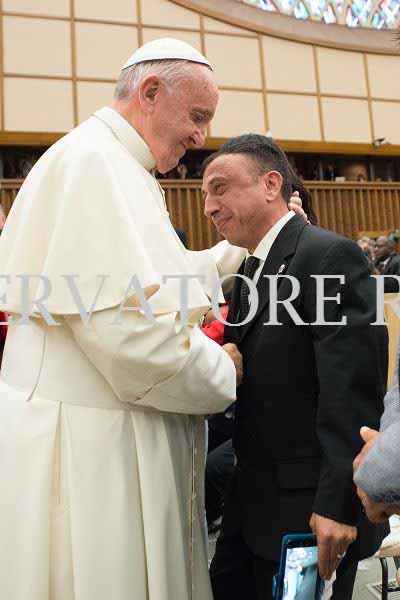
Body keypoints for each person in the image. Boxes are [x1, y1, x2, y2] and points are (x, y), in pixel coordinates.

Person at [0, 38, 250, 600]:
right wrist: (222, 369)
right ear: (151, 92)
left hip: (102, 430)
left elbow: (150, 282)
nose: (201, 137)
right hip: (90, 444)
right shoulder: (95, 165)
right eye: (198, 117)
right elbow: (129, 337)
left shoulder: (117, 166)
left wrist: (234, 251)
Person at [202, 134, 389, 600]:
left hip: (310, 513)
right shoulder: (249, 272)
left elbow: (352, 393)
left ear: (270, 184)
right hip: (252, 507)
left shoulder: (329, 256)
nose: (208, 206)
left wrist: (338, 505)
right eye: (205, 193)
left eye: (220, 188)